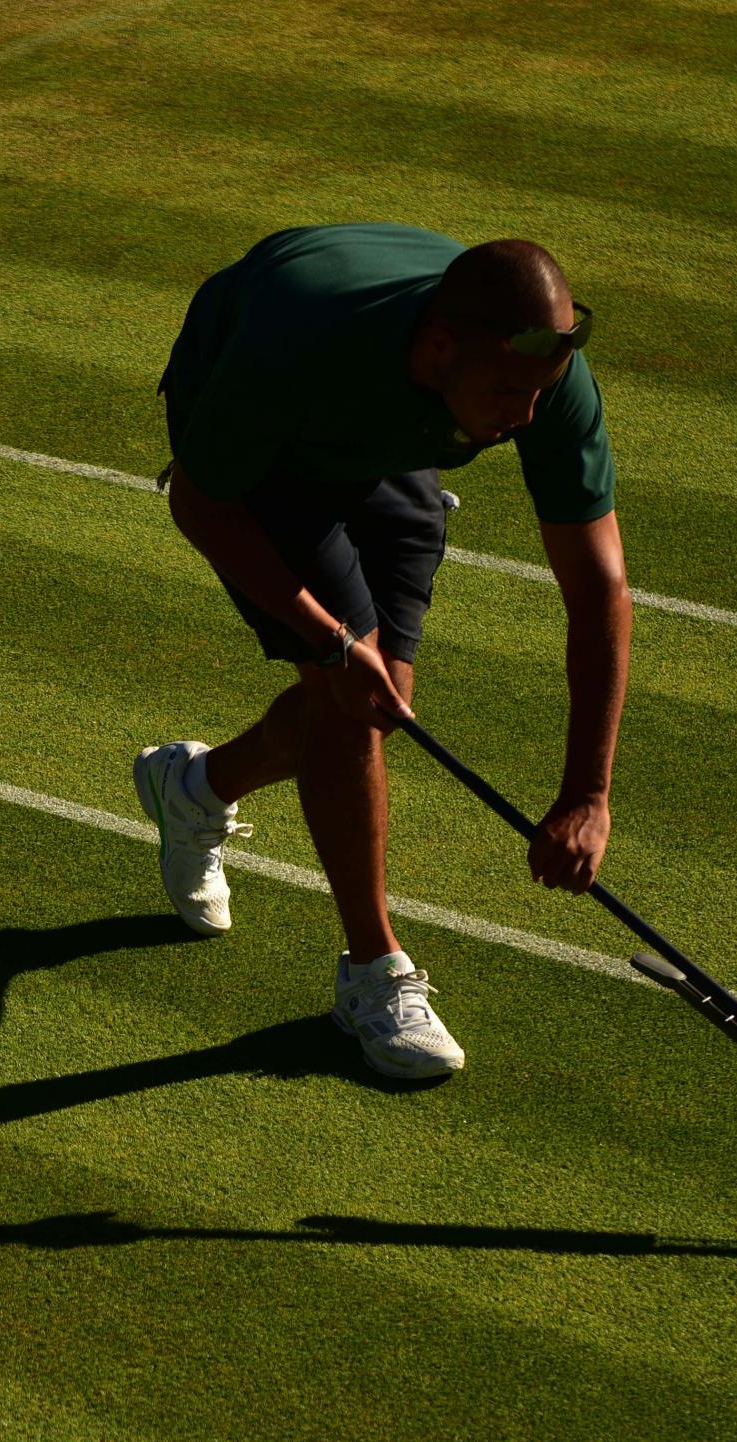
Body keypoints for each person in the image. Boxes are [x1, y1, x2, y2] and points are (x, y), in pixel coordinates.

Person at [139, 222, 633, 1079]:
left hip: (388, 424)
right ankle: (373, 971)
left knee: (378, 695)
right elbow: (202, 503)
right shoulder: (295, 346)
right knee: (348, 699)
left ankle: (196, 786)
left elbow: (599, 591)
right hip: (263, 438)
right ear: (442, 346)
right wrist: (331, 643)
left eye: (539, 395)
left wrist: (588, 794)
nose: (523, 419)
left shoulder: (540, 378)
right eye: (508, 392)